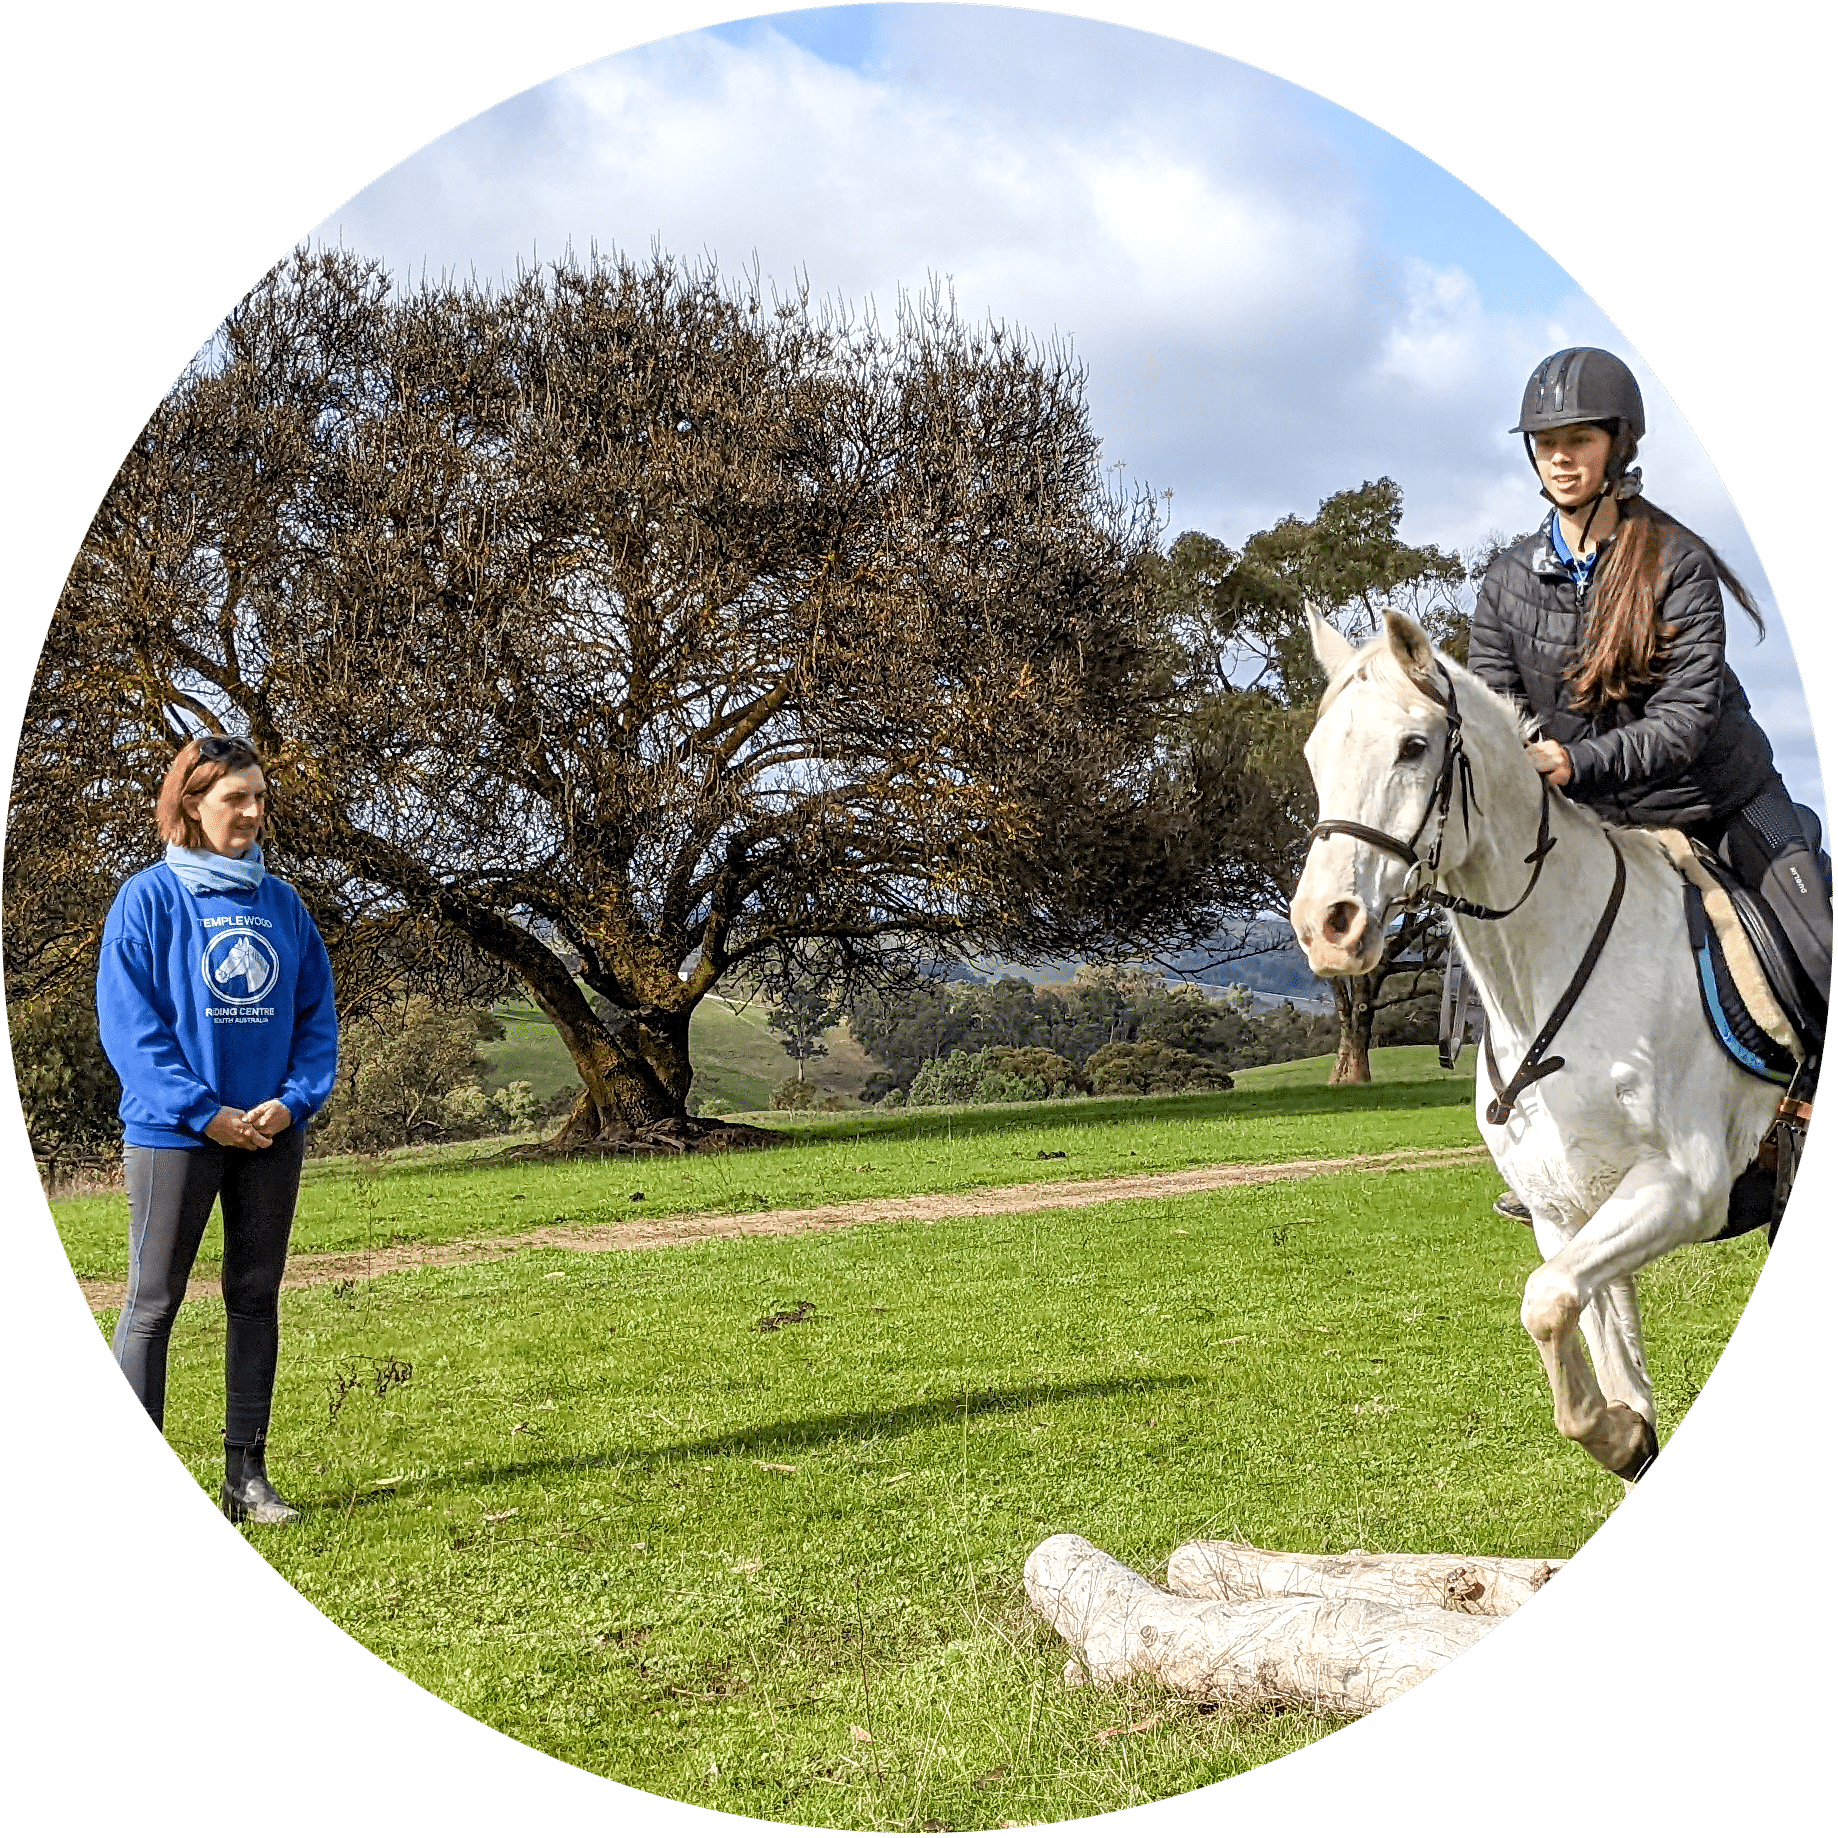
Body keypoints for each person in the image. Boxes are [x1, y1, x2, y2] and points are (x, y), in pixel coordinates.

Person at [1467, 347, 1829, 1224]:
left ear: (1617, 445)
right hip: (1597, 827)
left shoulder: (1676, 563)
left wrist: (1572, 764)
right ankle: (1550, 1161)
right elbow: (1495, 717)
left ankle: (1798, 1131)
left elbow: (1686, 723)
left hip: (1722, 803)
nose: (1559, 454)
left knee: (1819, 946)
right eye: (1544, 440)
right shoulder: (1507, 584)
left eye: (1577, 437)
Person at [97, 735, 338, 1522]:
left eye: (261, 797)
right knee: (153, 1302)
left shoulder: (282, 906)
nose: (254, 811)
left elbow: (314, 1021)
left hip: (269, 1134)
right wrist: (206, 1112)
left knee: (254, 1295)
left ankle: (246, 1478)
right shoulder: (146, 901)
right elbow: (131, 1031)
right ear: (191, 803)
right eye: (236, 797)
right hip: (175, 1135)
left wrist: (292, 1101)